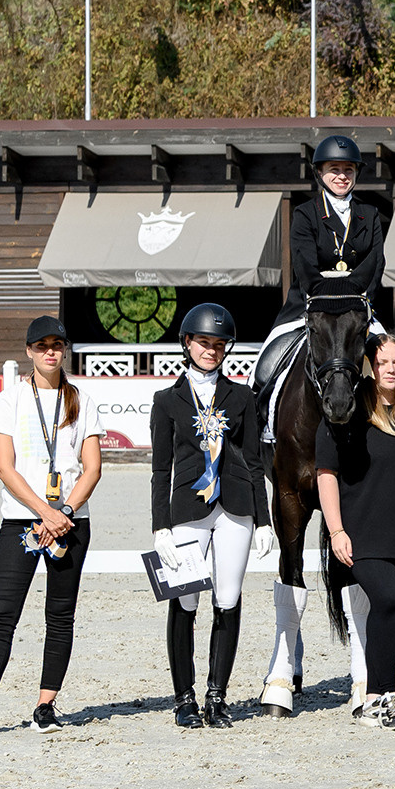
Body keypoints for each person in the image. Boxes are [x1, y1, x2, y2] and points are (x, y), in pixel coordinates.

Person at [0, 317, 104, 738]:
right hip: (22, 521)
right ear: (29, 351)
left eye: (57, 344)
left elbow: (92, 469)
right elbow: (5, 467)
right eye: (42, 345)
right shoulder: (10, 401)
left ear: (65, 350)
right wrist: (43, 511)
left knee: (60, 616)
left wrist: (64, 511)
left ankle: (46, 707)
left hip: (71, 522)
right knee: (2, 614)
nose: (50, 352)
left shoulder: (82, 401)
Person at [316, 337, 395, 730]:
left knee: (389, 614)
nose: (391, 369)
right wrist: (336, 530)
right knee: (386, 599)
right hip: (362, 535)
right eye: (383, 362)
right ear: (370, 367)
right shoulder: (345, 418)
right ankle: (385, 696)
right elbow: (327, 475)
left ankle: (372, 698)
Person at [149, 303, 266, 729]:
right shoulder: (166, 401)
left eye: (218, 344)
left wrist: (264, 519)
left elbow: (254, 462)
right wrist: (160, 524)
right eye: (204, 343)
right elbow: (161, 469)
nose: (211, 350)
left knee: (228, 598)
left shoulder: (243, 398)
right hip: (187, 509)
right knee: (185, 599)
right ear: (187, 344)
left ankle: (217, 696)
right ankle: (184, 698)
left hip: (234, 508)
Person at [253, 134, 389, 439]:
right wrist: (326, 294)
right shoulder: (305, 214)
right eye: (334, 169)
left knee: (392, 361)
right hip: (309, 304)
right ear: (320, 173)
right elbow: (304, 265)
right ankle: (263, 428)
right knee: (266, 363)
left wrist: (357, 298)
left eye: (348, 170)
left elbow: (375, 262)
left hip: (357, 306)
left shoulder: (370, 215)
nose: (342, 176)